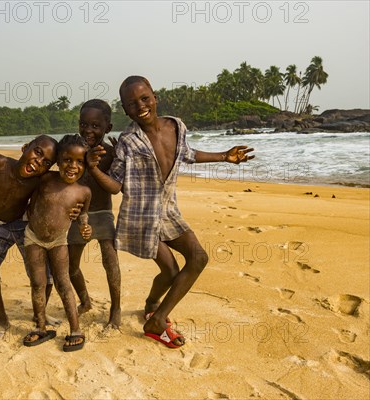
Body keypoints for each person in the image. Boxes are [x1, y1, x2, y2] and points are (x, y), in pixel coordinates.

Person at [87, 76, 255, 348]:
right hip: (141, 219)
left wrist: (225, 156)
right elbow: (116, 186)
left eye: (144, 98)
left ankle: (153, 308)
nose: (140, 106)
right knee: (171, 270)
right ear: (125, 110)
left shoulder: (176, 125)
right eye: (132, 103)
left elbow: (187, 153)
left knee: (198, 258)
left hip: (169, 212)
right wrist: (94, 169)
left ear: (155, 97)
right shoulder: (128, 141)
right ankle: (156, 319)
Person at [0, 132, 74, 339]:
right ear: (25, 147)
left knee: (44, 275)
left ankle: (41, 314)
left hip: (24, 223)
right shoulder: (0, 163)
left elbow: (68, 183)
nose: (38, 162)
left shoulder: (41, 180)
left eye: (46, 162)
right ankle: (2, 320)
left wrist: (76, 209)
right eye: (37, 153)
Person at [23, 134, 92, 352]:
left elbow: (83, 216)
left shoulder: (84, 192)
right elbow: (30, 194)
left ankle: (75, 330)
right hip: (33, 237)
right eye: (67, 160)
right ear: (58, 161)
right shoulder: (45, 179)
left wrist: (85, 227)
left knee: (63, 283)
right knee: (37, 283)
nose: (73, 166)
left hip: (59, 240)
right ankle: (41, 327)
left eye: (79, 162)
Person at [67, 99, 122, 329]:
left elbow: (116, 185)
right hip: (77, 214)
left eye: (95, 126)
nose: (88, 130)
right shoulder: (71, 150)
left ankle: (116, 308)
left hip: (103, 213)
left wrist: (119, 154)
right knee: (71, 267)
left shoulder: (110, 153)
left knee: (110, 261)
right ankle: (85, 300)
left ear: (107, 128)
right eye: (84, 124)